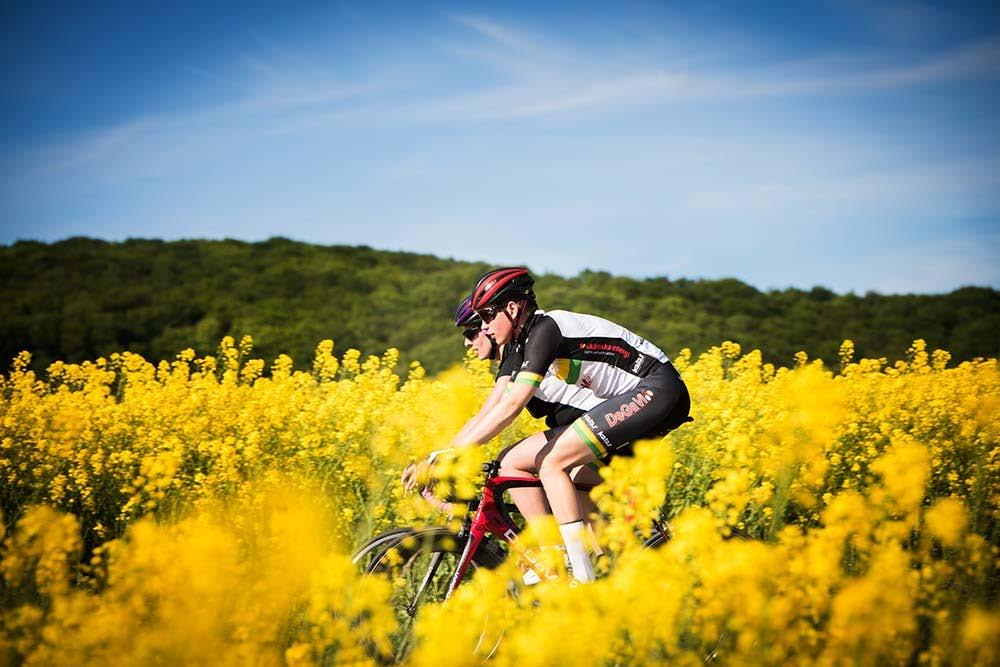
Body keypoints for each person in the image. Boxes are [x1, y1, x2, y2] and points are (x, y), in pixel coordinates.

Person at [446, 267, 692, 582]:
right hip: (626, 406)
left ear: (512, 308)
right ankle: (603, 574)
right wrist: (442, 454)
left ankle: (580, 575)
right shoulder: (521, 347)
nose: (485, 327)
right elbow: (487, 412)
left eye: (487, 315)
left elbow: (510, 406)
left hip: (657, 389)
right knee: (562, 478)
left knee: (551, 464)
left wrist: (453, 454)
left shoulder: (545, 330)